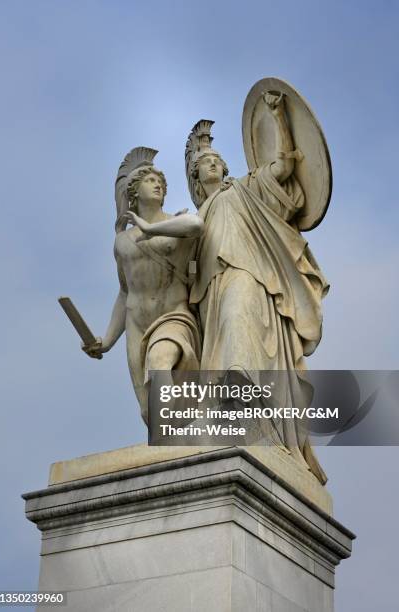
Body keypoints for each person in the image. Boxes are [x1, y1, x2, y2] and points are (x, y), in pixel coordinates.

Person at [185, 94, 328, 483]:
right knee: (218, 345)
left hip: (249, 278)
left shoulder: (245, 188)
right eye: (204, 163)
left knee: (238, 328)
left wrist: (279, 115)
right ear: (196, 178)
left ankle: (245, 411)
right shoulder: (193, 216)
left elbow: (283, 165)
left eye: (216, 160)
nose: (212, 163)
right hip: (209, 293)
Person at [83, 147, 203, 424]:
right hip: (137, 324)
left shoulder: (176, 223)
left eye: (161, 182)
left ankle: (182, 428)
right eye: (151, 181)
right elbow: (125, 292)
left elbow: (197, 225)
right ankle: (173, 441)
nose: (159, 184)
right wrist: (107, 340)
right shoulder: (122, 242)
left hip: (173, 315)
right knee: (151, 412)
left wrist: (150, 230)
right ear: (134, 192)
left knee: (161, 363)